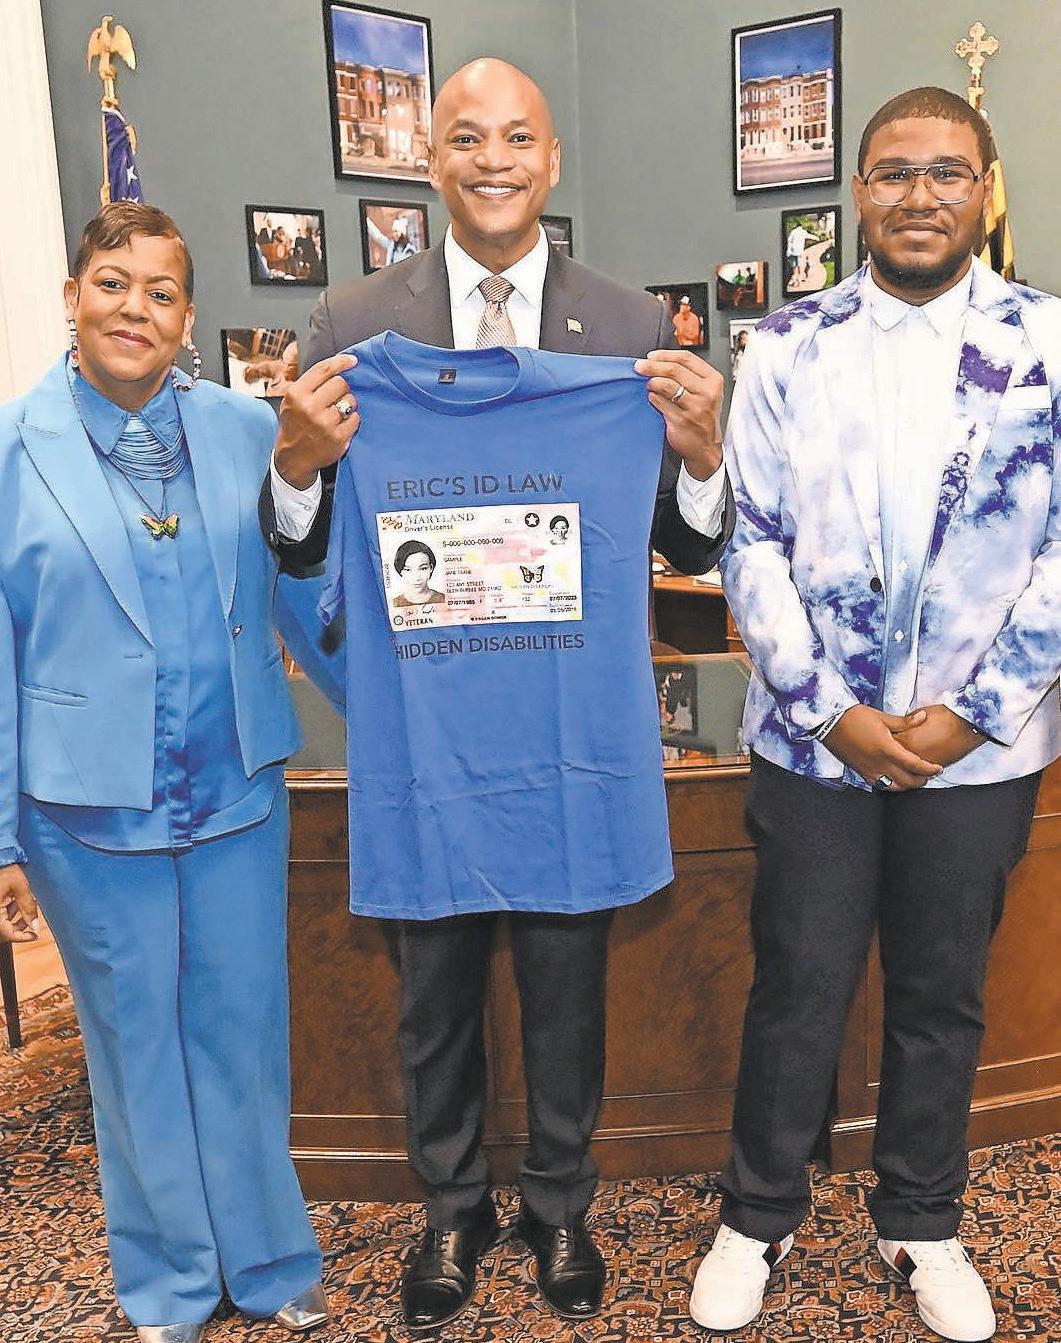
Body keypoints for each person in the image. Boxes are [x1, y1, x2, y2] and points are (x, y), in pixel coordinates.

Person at [259, 57, 733, 1331]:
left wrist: (700, 454)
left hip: (570, 731)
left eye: (517, 137)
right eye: (465, 138)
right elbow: (303, 546)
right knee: (434, 999)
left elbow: (687, 546)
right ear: (431, 160)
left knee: (568, 991)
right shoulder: (352, 325)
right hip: (428, 738)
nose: (492, 160)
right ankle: (451, 1207)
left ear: (550, 158)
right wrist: (294, 466)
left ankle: (559, 1204)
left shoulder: (628, 326)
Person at [692, 87, 1061, 1343]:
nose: (919, 195)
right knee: (796, 981)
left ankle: (921, 1218)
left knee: (940, 991)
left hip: (981, 750)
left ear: (985, 189)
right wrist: (827, 710)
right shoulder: (782, 345)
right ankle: (756, 1214)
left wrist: (976, 711)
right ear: (856, 192)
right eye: (894, 171)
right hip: (813, 748)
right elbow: (749, 538)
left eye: (946, 172)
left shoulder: (1046, 340)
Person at [0, 203, 333, 1343]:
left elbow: (304, 587)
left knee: (243, 1033)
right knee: (134, 1044)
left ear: (188, 317)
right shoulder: (12, 447)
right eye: (111, 283)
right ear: (72, 297)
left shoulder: (249, 431)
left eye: (160, 291)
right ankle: (170, 1281)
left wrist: (405, 714)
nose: (133, 308)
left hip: (236, 785)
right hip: (83, 808)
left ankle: (270, 1259)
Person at [393, 538, 446, 606]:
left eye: (423, 568)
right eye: (408, 570)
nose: (417, 578)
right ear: (400, 571)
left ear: (431, 568)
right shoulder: (395, 604)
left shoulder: (443, 599)